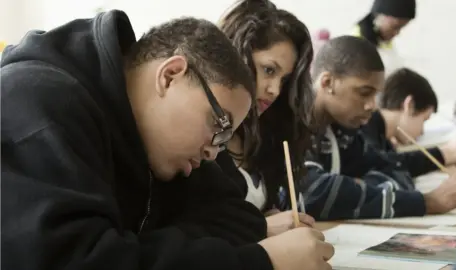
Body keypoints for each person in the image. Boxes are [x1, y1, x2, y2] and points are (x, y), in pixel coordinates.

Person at [1, 10, 331, 270]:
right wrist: (259, 262)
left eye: (226, 137)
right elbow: (73, 262)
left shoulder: (165, 144)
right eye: (219, 124)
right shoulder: (40, 104)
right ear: (170, 76)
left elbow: (238, 218)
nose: (214, 151)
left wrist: (132, 247)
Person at [301, 35, 456, 220]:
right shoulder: (291, 123)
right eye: (364, 93)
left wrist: (358, 189)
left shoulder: (340, 129)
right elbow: (314, 193)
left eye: (375, 96)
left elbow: (391, 167)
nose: (372, 105)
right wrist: (428, 202)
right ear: (327, 82)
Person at [216, 0, 321, 237]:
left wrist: (270, 219)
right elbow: (188, 230)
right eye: (269, 70)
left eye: (285, 80)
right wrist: (259, 227)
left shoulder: (268, 134)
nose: (275, 90)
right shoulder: (198, 138)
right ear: (235, 55)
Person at [362, 67, 456, 179]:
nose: (422, 131)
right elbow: (381, 166)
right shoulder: (364, 127)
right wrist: (447, 153)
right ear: (410, 105)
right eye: (424, 120)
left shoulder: (383, 140)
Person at [352, 0, 416, 76]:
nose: (397, 33)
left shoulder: (382, 40)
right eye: (395, 27)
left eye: (401, 27)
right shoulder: (354, 44)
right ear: (379, 16)